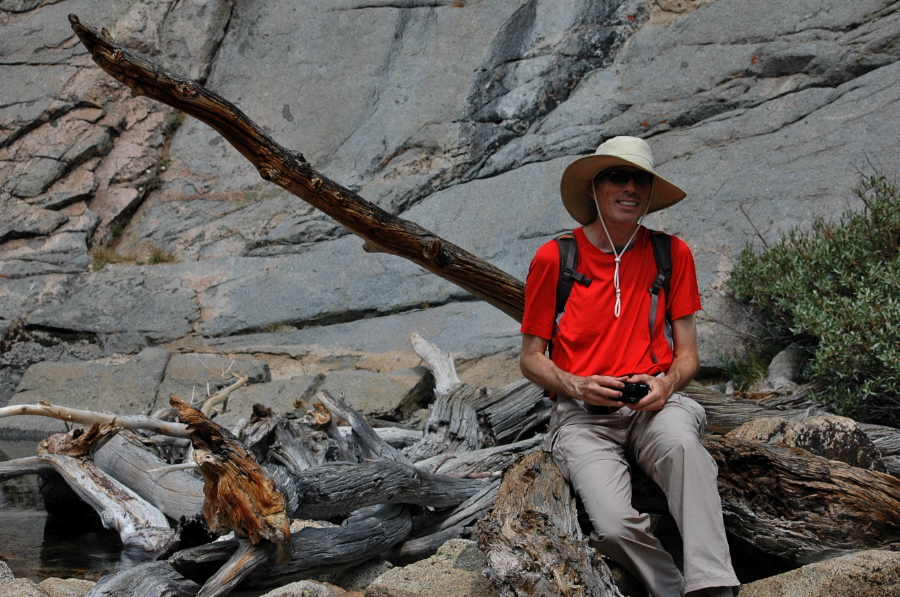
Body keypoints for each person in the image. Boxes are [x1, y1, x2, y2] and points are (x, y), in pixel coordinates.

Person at [519, 136, 740, 597]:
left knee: (682, 445)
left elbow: (687, 356)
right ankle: (672, 588)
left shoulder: (671, 253)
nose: (631, 187)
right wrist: (578, 385)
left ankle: (714, 586)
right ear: (596, 188)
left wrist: (666, 384)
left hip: (655, 405)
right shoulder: (555, 258)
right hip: (582, 416)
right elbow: (531, 359)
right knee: (614, 526)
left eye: (640, 179)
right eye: (618, 176)